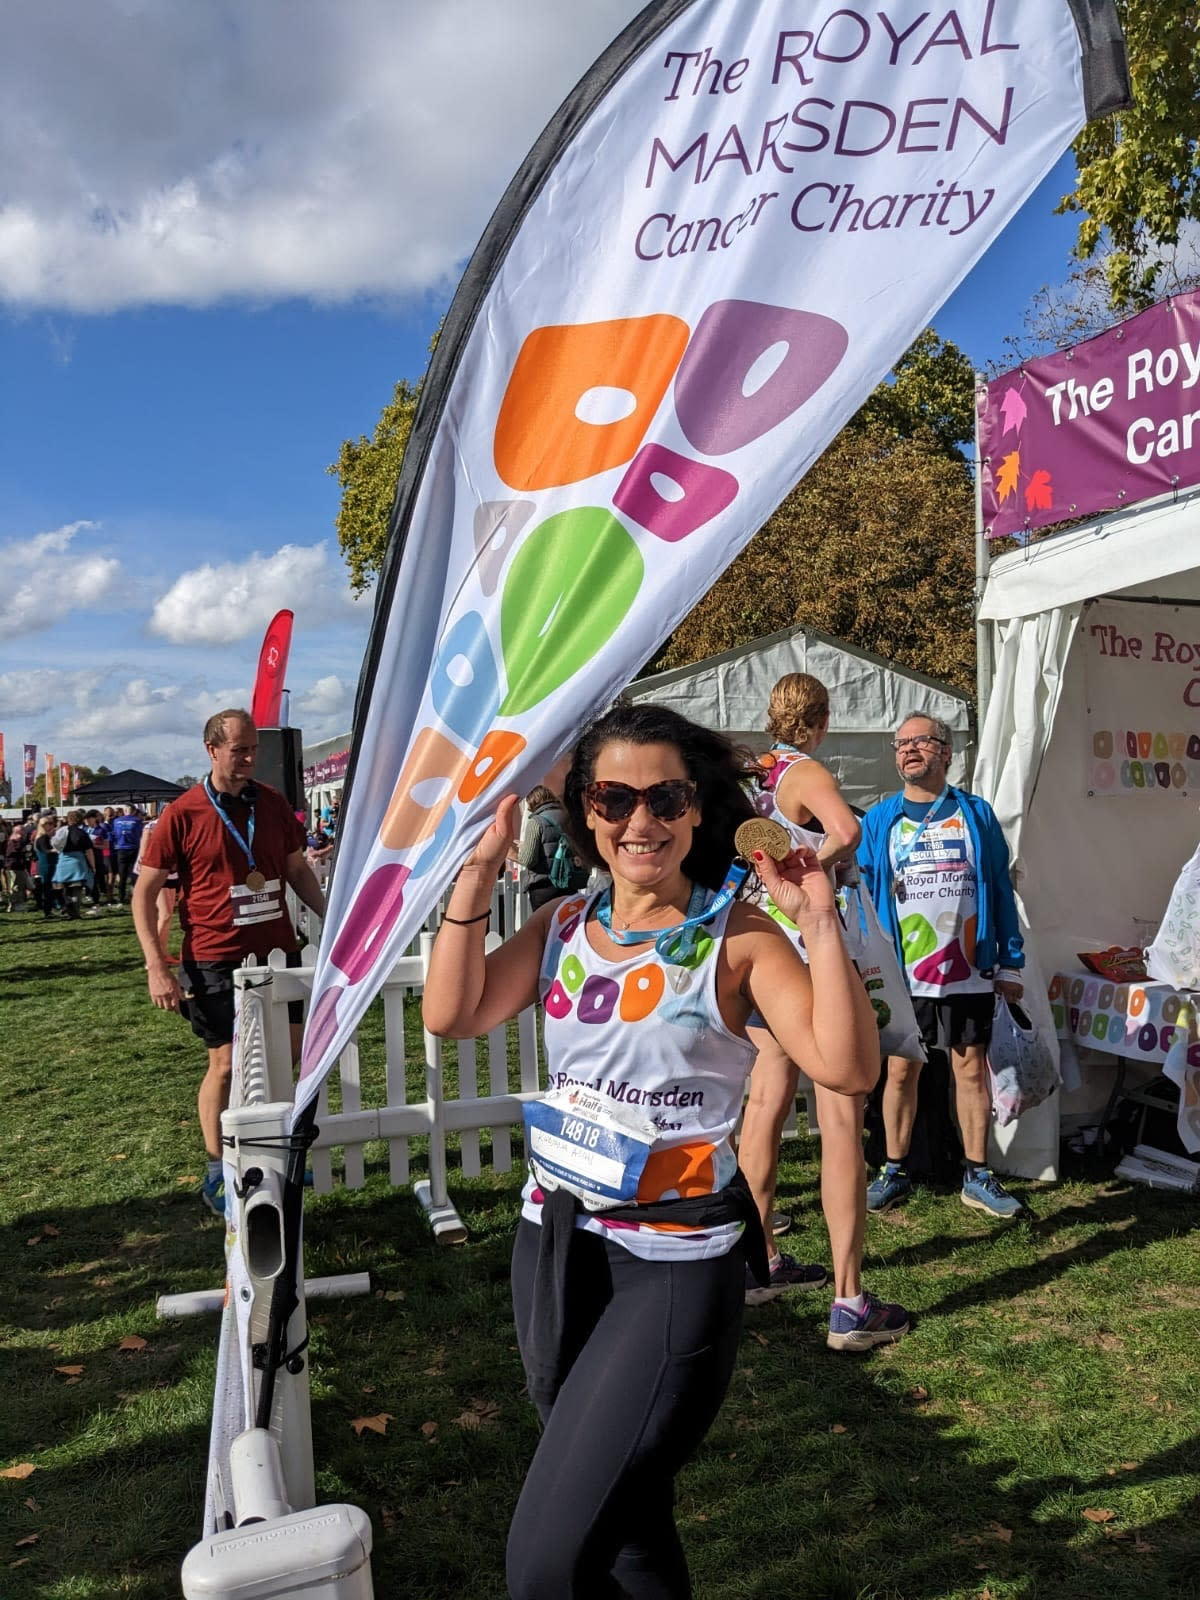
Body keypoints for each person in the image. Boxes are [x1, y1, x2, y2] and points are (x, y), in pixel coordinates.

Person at [423, 704, 879, 1600]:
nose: (641, 822)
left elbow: (848, 1067)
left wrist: (817, 922)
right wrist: (477, 873)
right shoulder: (562, 925)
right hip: (553, 1244)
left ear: (699, 808)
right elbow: (452, 1013)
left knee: (546, 1566)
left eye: (666, 797)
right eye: (615, 798)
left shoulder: (735, 937)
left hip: (671, 1265)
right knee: (628, 1517)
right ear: (586, 812)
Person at [738, 673, 909, 1350]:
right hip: (808, 946)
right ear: (823, 719)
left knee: (765, 1101)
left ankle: (760, 1264)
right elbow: (848, 832)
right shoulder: (805, 771)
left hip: (758, 948)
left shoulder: (758, 773)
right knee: (842, 1109)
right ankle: (849, 1302)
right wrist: (813, 867)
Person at [133, 709, 327, 1217]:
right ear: (211, 749)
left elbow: (294, 869)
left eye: (253, 750)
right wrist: (158, 966)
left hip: (278, 950)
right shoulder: (184, 812)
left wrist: (334, 916)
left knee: (284, 1055)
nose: (248, 759)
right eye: (238, 750)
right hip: (215, 958)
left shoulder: (273, 803)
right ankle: (219, 1167)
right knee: (225, 1063)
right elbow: (144, 892)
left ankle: (275, 1153)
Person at [858, 713, 1026, 1219]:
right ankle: (894, 1168)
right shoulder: (879, 819)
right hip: (903, 972)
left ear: (947, 753)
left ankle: (977, 1173)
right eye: (901, 743)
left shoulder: (976, 813)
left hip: (966, 968)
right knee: (901, 1072)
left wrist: (1011, 963)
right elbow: (862, 894)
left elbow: (1000, 886)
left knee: (970, 1068)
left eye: (921, 742)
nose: (909, 750)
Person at [515, 755, 591, 910]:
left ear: (533, 800)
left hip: (543, 887)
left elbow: (528, 859)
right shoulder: (568, 817)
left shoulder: (536, 822)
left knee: (547, 930)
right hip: (569, 881)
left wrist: (521, 849)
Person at [52, 810, 97, 918]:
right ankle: (75, 911)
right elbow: (89, 851)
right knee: (76, 888)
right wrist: (93, 866)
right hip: (77, 862)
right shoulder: (82, 833)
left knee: (64, 888)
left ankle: (67, 909)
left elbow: (55, 845)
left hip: (63, 860)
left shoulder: (61, 831)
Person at [111, 805, 143, 905]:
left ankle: (121, 896)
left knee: (122, 874)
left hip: (121, 848)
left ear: (125, 811)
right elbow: (140, 834)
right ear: (133, 811)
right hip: (134, 848)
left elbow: (115, 834)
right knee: (134, 873)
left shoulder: (116, 821)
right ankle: (136, 895)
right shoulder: (137, 821)